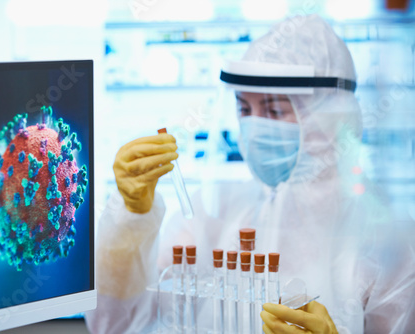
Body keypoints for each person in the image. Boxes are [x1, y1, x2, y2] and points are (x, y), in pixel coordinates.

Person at [85, 14, 415, 333]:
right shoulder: (212, 214)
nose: (254, 126)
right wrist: (131, 219)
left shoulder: (387, 243)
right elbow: (118, 325)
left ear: (328, 119)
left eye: (273, 110)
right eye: (244, 108)